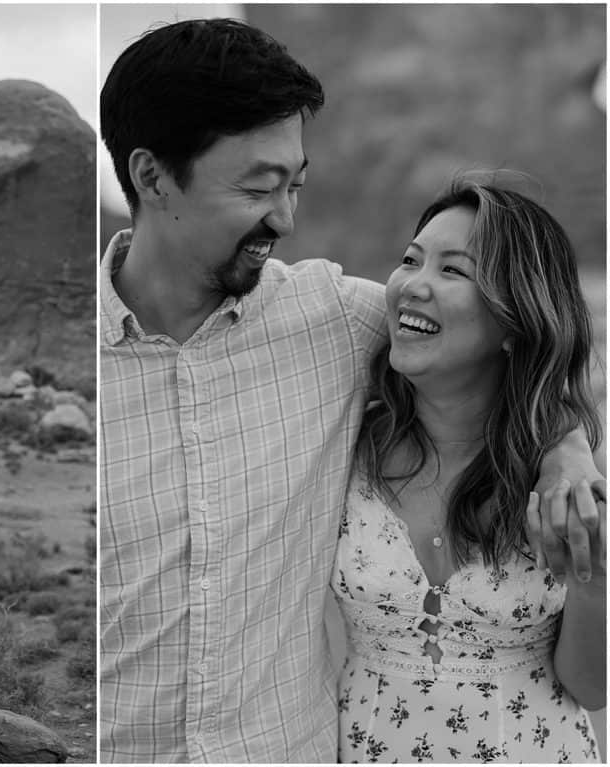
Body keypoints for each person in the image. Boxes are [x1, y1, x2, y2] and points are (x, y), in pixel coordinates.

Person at [99, 18, 604, 763]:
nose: (286, 217)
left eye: (296, 184)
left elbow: (509, 347)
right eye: (259, 186)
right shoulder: (84, 367)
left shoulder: (332, 317)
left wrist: (567, 451)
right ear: (151, 176)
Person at [332, 179, 605, 762]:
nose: (413, 285)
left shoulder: (574, 480)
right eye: (410, 260)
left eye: (453, 271)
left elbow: (591, 686)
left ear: (515, 320)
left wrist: (595, 576)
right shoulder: (342, 447)